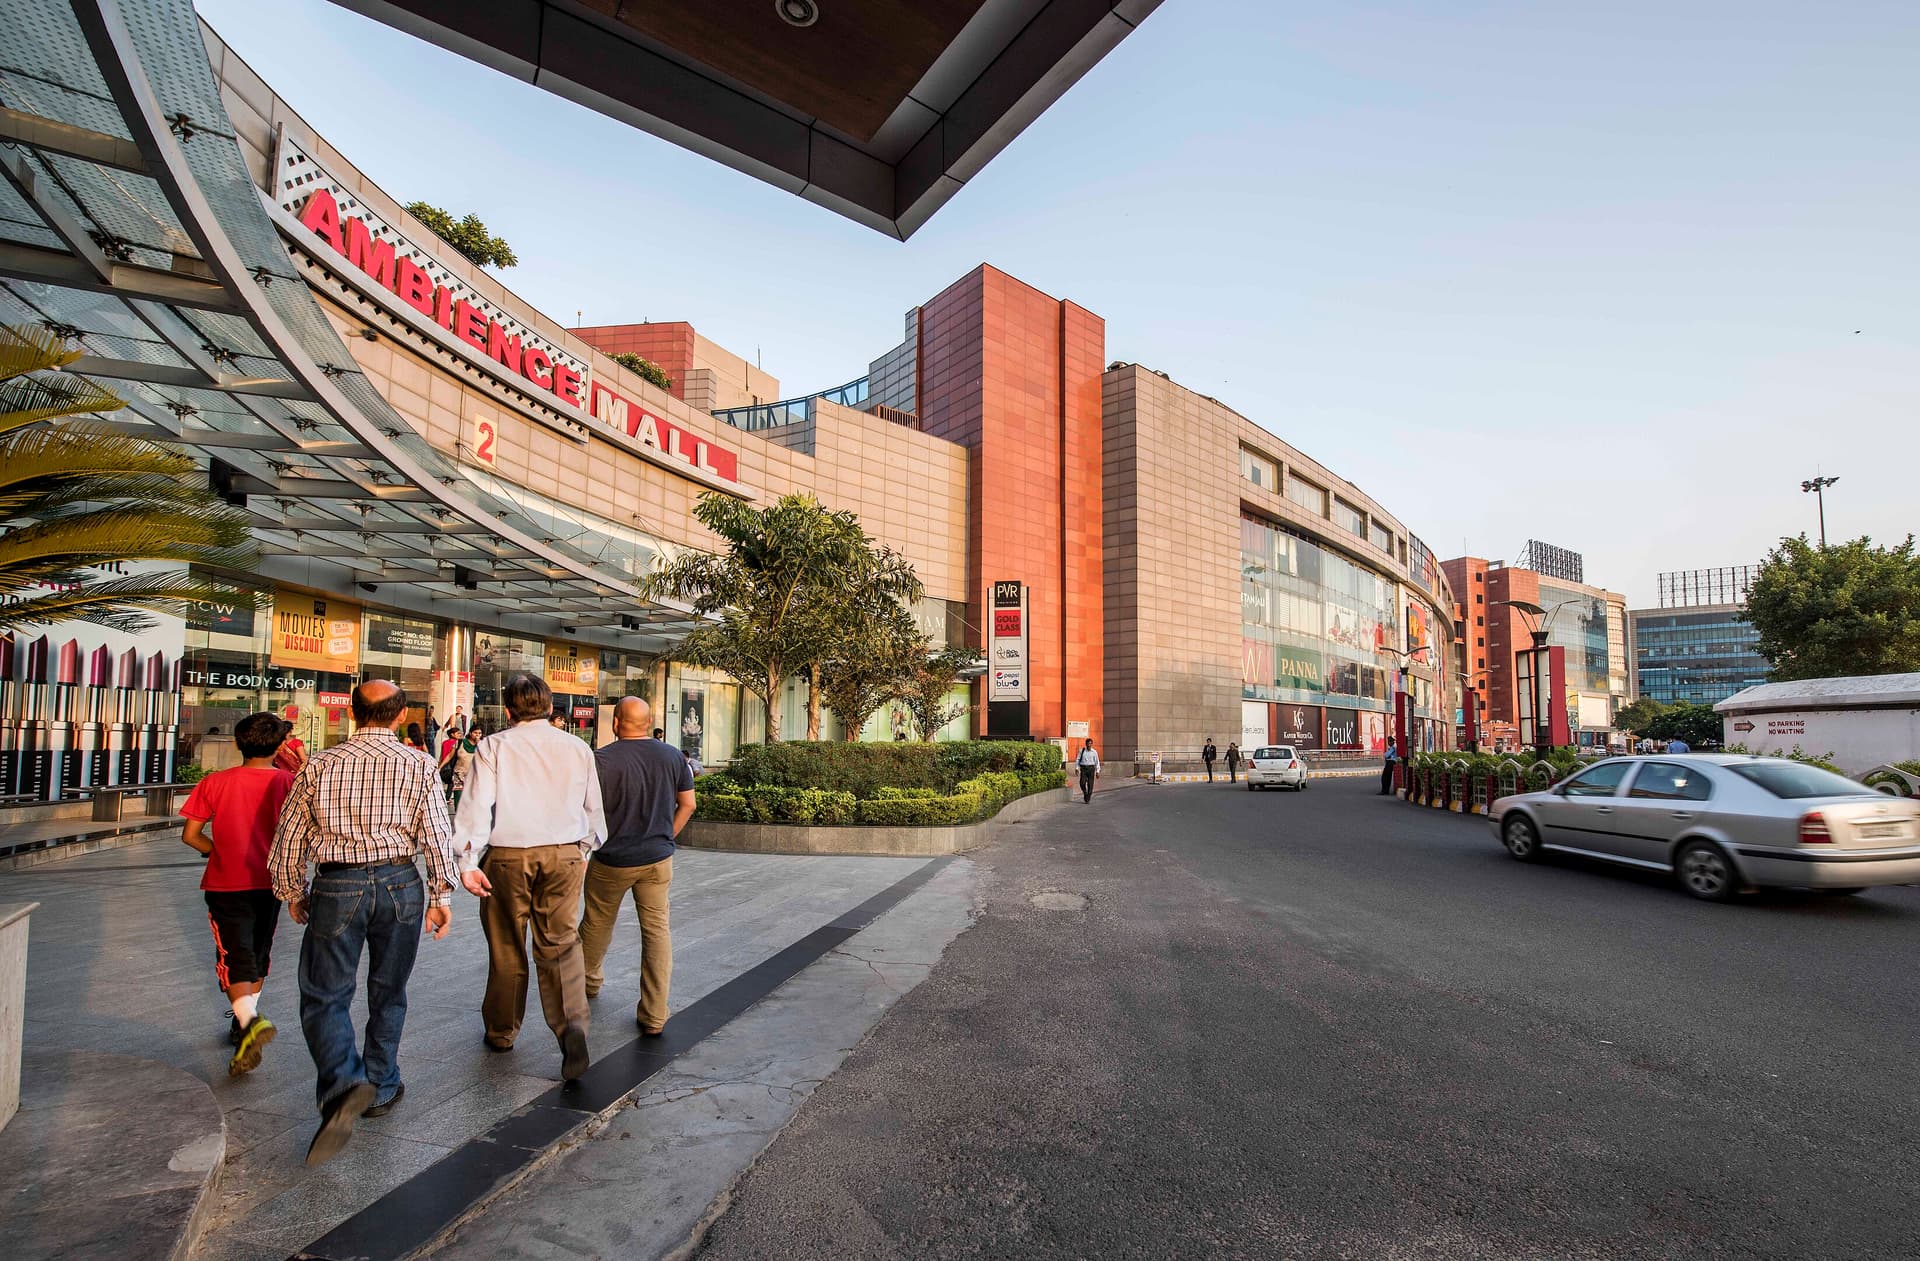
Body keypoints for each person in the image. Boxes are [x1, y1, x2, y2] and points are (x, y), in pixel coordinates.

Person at [269, 680, 458, 1166]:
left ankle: (342, 1082)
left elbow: (289, 837)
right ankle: (381, 1081)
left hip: (337, 885)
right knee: (389, 989)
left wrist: (293, 891)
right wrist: (441, 894)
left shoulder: (319, 764)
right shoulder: (418, 763)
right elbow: (436, 830)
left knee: (324, 995)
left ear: (353, 713)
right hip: (400, 881)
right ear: (399, 717)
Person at [454, 673, 605, 1083]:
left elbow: (476, 808)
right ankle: (571, 1024)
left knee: (506, 946)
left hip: (507, 857)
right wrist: (584, 850)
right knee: (560, 944)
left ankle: (502, 1032)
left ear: (507, 709)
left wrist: (467, 863)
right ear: (550, 706)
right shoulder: (577, 747)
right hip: (565, 854)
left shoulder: (494, 746)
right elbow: (593, 808)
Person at [179, 711, 296, 1077]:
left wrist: (214, 850)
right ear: (279, 746)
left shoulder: (215, 782)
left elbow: (190, 835)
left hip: (226, 883)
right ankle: (244, 1020)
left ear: (236, 743)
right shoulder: (288, 782)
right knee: (258, 953)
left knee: (233, 956)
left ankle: (249, 1022)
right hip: (270, 881)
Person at [580, 697, 694, 1036]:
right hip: (657, 859)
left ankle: (587, 983)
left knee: (597, 923)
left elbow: (583, 812)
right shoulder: (673, 755)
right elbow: (688, 804)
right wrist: (665, 836)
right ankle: (654, 1015)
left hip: (611, 859)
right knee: (657, 932)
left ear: (616, 723)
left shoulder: (599, 760)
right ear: (648, 722)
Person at [441, 723, 480, 811]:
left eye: (479, 733)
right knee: (458, 800)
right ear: (470, 733)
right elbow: (450, 756)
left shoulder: (482, 745)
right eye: (475, 733)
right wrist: (440, 766)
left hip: (474, 776)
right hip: (459, 775)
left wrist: (480, 745)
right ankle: (458, 819)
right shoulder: (460, 742)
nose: (477, 735)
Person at [1075, 738, 1100, 803]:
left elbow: (1097, 762)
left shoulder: (1094, 752)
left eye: (1090, 743)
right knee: (1082, 783)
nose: (1089, 745)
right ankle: (1085, 792)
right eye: (1088, 743)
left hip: (1091, 769)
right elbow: (1078, 759)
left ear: (1092, 744)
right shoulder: (1082, 751)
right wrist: (1077, 768)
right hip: (1083, 768)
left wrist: (1097, 771)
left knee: (1090, 784)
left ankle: (1088, 797)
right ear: (1086, 744)